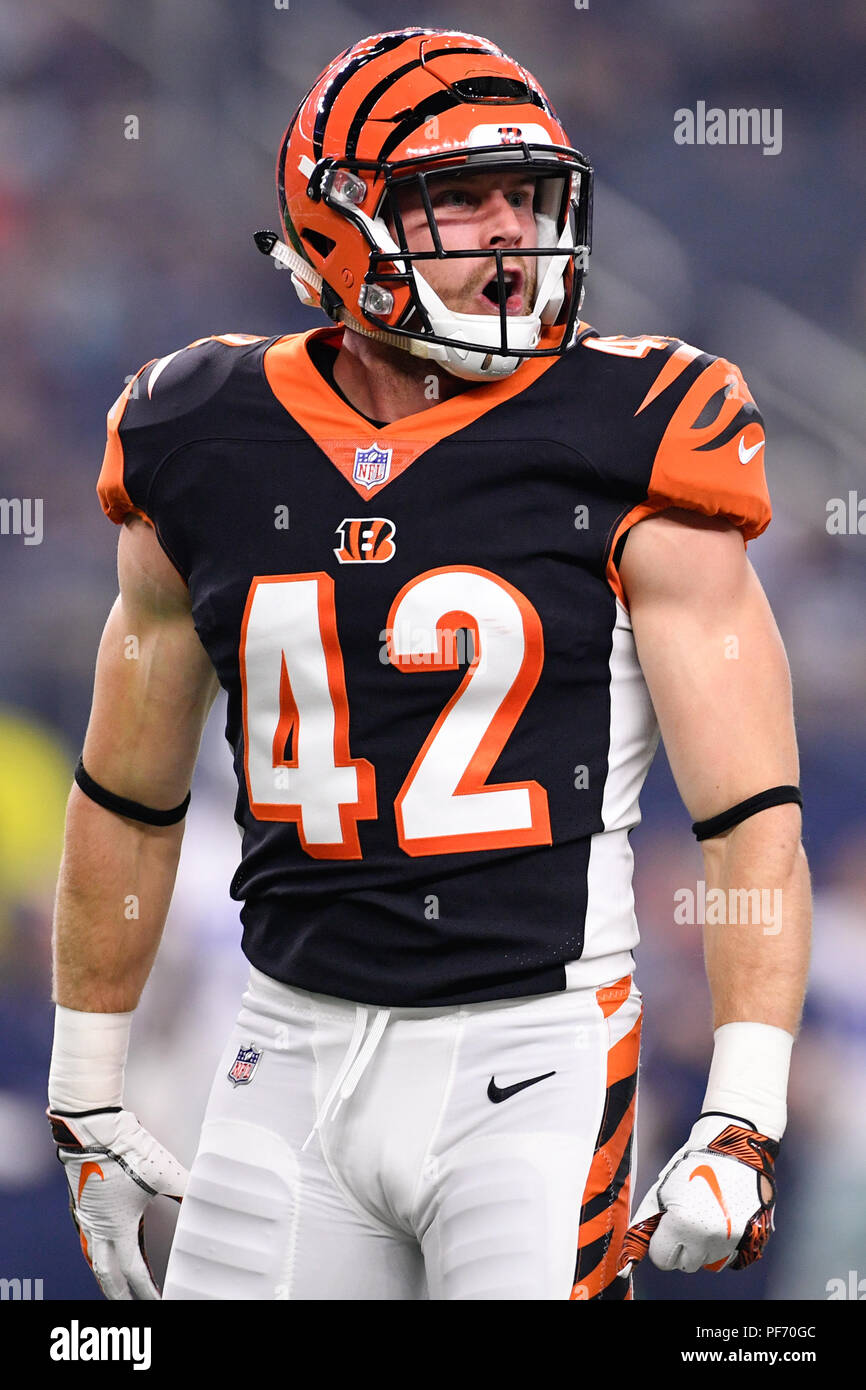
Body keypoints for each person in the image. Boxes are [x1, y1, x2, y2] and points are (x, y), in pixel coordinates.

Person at [47, 28, 810, 1301]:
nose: (508, 231)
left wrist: (742, 1109)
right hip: (282, 1043)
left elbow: (746, 818)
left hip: (535, 1047)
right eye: (459, 198)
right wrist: (86, 1090)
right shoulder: (200, 433)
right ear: (338, 227)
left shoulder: (632, 433)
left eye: (526, 196)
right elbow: (127, 795)